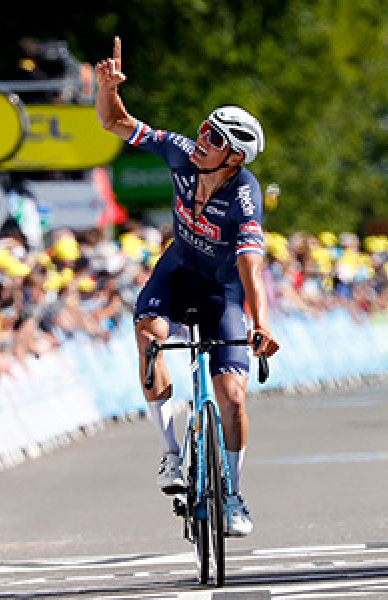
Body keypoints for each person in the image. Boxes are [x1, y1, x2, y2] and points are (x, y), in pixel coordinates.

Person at [95, 37, 279, 537]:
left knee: (232, 396)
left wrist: (260, 323)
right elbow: (115, 122)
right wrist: (106, 88)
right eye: (204, 129)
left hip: (223, 292)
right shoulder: (180, 154)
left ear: (235, 158)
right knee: (151, 339)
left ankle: (235, 495)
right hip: (177, 272)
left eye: (214, 139)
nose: (200, 140)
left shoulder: (244, 196)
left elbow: (251, 266)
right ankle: (170, 454)